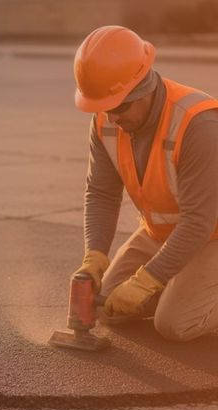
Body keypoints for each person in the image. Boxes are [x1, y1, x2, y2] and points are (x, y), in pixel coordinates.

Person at [72, 25, 218, 341]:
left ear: (143, 89)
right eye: (103, 107)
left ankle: (184, 291)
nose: (111, 118)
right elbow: (100, 193)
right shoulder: (106, 122)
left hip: (212, 235)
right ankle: (181, 282)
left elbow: (199, 223)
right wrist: (94, 256)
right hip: (163, 234)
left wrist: (147, 280)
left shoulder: (197, 124)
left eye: (118, 106)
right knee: (111, 309)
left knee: (175, 324)